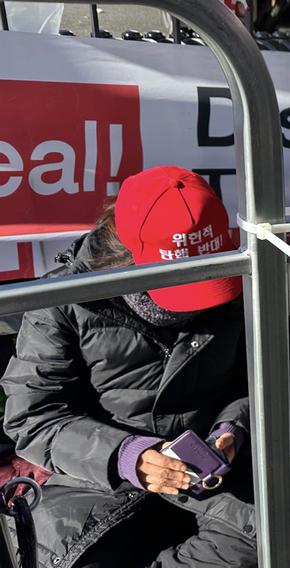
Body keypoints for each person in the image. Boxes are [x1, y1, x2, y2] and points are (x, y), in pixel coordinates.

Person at [2, 166, 257, 568]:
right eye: (180, 288)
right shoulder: (62, 298)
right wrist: (127, 455)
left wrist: (233, 429)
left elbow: (257, 380)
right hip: (93, 480)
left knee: (260, 540)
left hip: (208, 475)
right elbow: (32, 416)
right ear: (125, 260)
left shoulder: (235, 290)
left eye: (209, 280)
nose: (201, 304)